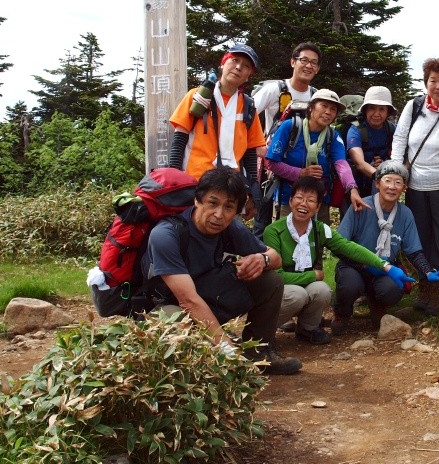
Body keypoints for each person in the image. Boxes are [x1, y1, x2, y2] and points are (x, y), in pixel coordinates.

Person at [141, 166, 302, 375]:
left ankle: (260, 353)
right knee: (176, 322)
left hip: (207, 294)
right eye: (212, 203)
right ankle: (214, 357)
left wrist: (261, 259)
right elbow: (187, 300)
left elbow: (276, 258)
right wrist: (227, 348)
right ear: (197, 201)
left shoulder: (230, 228)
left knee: (270, 280)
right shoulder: (166, 234)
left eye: (229, 207)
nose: (219, 214)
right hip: (170, 306)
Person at [262, 176, 411, 344]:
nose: (304, 204)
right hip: (281, 289)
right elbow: (277, 277)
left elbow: (349, 247)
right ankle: (261, 332)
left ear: (318, 207)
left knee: (322, 290)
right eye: (299, 198)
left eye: (311, 200)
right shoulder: (273, 231)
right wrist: (313, 275)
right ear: (290, 201)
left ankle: (307, 329)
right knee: (299, 294)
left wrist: (385, 266)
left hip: (300, 286)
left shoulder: (319, 230)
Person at [390, 58, 439, 315]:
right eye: (433, 80)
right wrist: (395, 173)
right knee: (420, 240)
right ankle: (426, 288)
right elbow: (401, 137)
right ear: (426, 83)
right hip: (415, 186)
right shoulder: (414, 107)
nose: (438, 86)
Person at [335, 161, 439, 333]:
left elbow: (413, 251)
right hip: (354, 265)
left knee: (392, 289)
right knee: (349, 285)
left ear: (404, 188)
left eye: (398, 182)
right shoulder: (361, 205)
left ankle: (377, 304)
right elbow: (339, 246)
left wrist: (428, 271)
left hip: (385, 269)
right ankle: (342, 312)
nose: (392, 187)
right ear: (377, 184)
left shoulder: (405, 214)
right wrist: (366, 265)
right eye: (387, 181)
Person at [168, 44, 265, 189]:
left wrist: (253, 188)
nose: (238, 67)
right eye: (234, 60)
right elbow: (179, 139)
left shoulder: (248, 106)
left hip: (231, 186)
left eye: (246, 66)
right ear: (223, 63)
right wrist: (173, 177)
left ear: (248, 76)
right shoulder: (197, 96)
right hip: (194, 182)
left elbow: (250, 152)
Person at [265, 88, 368, 222]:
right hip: (289, 199)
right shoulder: (290, 127)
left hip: (320, 202)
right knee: (287, 240)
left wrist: (352, 189)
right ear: (311, 108)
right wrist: (301, 173)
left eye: (333, 109)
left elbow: (341, 164)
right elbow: (272, 163)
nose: (328, 112)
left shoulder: (333, 136)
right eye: (324, 106)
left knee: (316, 241)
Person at [251, 42, 322, 230]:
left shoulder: (316, 96)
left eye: (313, 63)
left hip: (303, 166)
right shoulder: (276, 89)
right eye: (304, 60)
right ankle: (261, 256)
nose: (308, 66)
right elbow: (247, 114)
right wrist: (257, 144)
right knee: (263, 219)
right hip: (272, 165)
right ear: (293, 62)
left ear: (318, 68)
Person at [345, 86, 397, 202]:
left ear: (388, 112)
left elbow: (399, 154)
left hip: (380, 185)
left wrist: (385, 165)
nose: (376, 114)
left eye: (382, 109)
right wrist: (382, 176)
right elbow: (359, 163)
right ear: (365, 110)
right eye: (372, 108)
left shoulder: (392, 129)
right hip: (356, 185)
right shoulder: (355, 130)